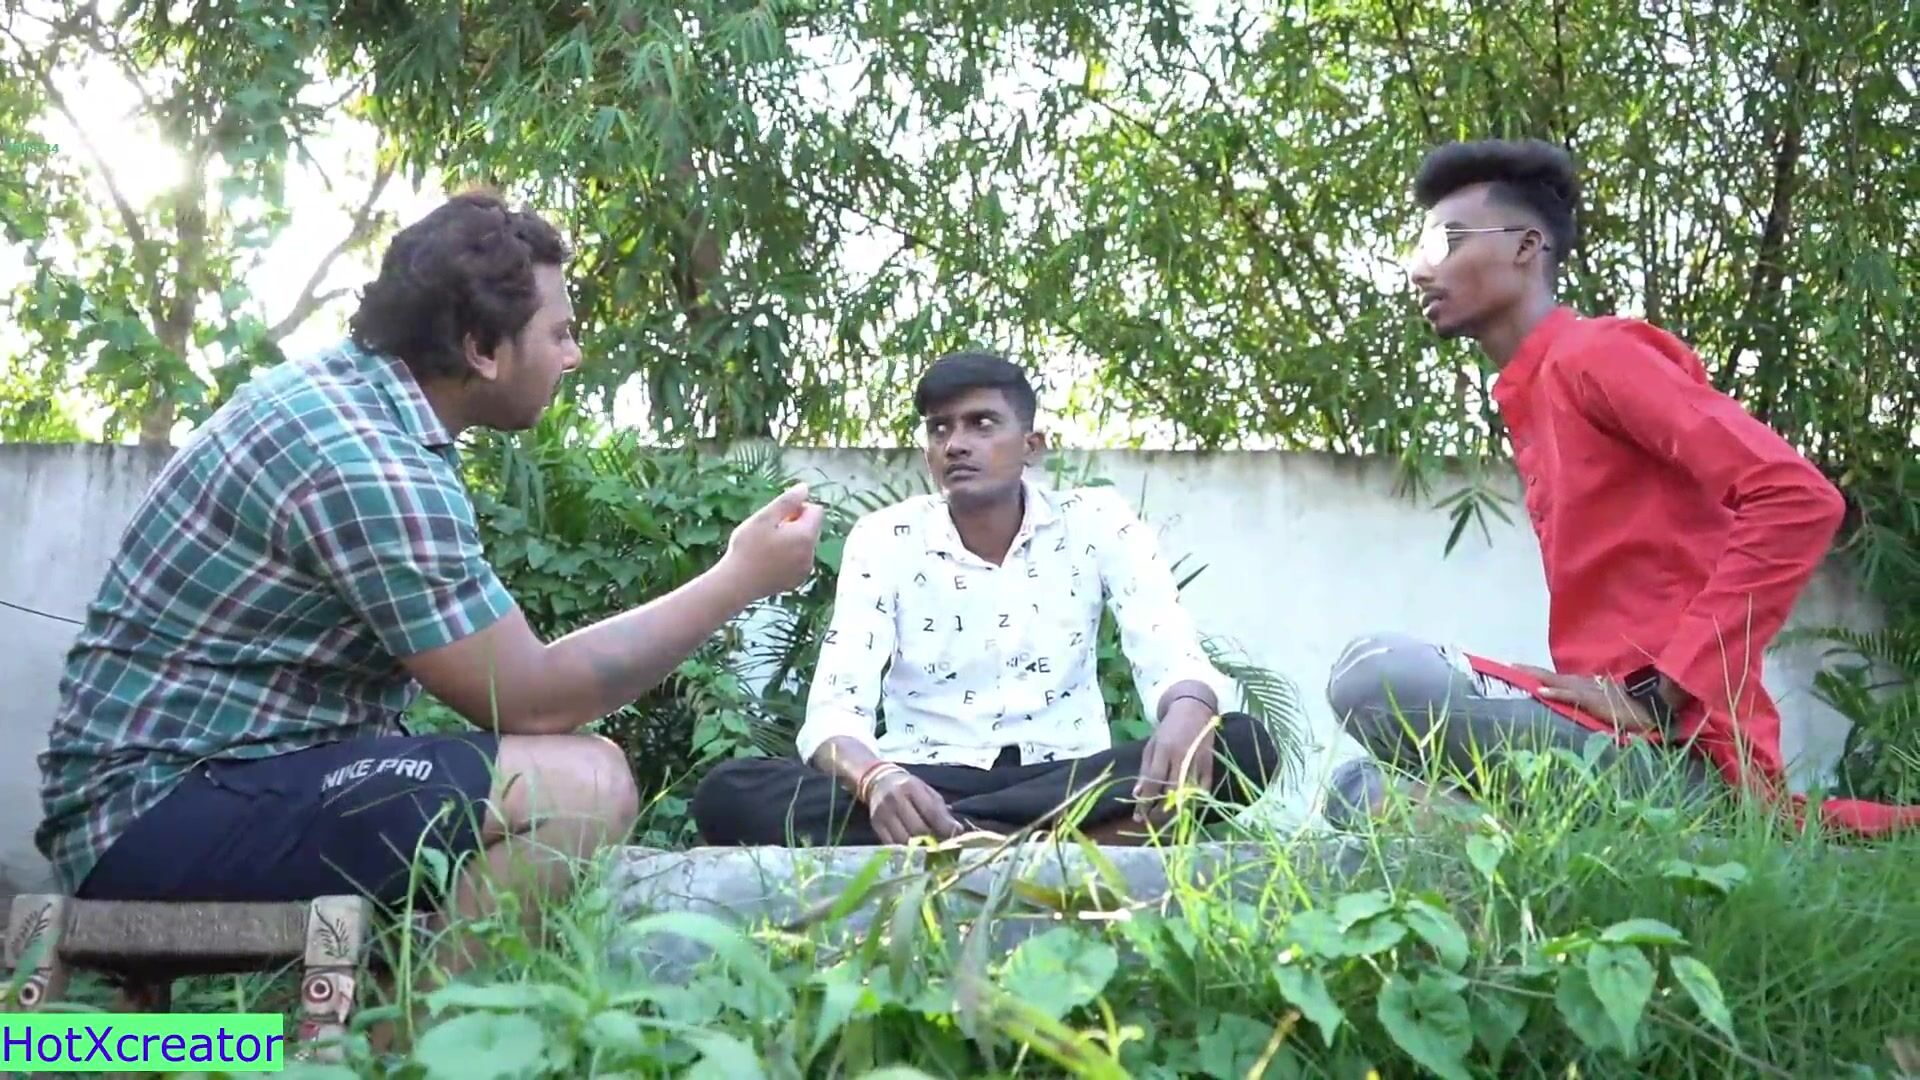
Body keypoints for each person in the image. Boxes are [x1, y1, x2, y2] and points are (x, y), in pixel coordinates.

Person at [34, 190, 827, 975]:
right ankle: (412, 1042)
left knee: (517, 794)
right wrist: (738, 578)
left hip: (201, 789)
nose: (573, 356)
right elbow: (531, 700)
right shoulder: (365, 459)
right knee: (579, 787)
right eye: (560, 333)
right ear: (481, 347)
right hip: (155, 814)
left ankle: (393, 1018)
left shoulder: (350, 402)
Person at [1322, 138, 1920, 837]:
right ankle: (1559, 857)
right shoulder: (1533, 393)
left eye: (1445, 242)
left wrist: (1662, 691)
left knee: (1372, 672)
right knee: (1356, 789)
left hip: (1683, 754)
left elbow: (1796, 497)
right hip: (1611, 742)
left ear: (1525, 246)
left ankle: (1702, 825)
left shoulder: (1596, 356)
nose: (1420, 269)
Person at [691, 351, 1283, 847]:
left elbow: (1168, 648)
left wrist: (1188, 712)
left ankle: (965, 844)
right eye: (939, 428)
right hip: (927, 783)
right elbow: (835, 708)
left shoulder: (1097, 521)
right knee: (729, 793)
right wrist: (875, 779)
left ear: (1031, 445)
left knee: (1242, 746)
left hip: (1065, 776)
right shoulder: (885, 538)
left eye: (981, 424)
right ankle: (1051, 845)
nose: (956, 444)